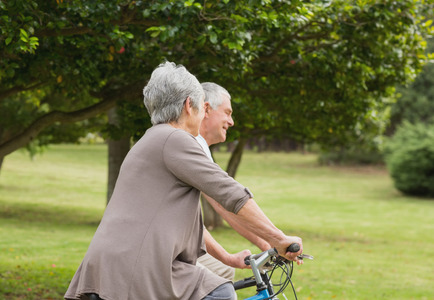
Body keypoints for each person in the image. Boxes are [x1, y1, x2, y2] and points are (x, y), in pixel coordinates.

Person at [64, 62, 303, 300]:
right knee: (219, 291)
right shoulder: (174, 139)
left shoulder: (153, 140)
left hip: (112, 266)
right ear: (189, 105)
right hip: (135, 266)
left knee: (214, 285)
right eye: (201, 107)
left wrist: (229, 257)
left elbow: (176, 219)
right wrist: (279, 239)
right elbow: (231, 194)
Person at [196, 82, 272, 281]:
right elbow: (225, 203)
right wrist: (275, 240)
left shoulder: (199, 147)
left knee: (223, 271)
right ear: (206, 109)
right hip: (151, 250)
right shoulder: (190, 145)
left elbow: (224, 207)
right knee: (217, 284)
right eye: (227, 113)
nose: (231, 122)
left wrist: (268, 245)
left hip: (170, 244)